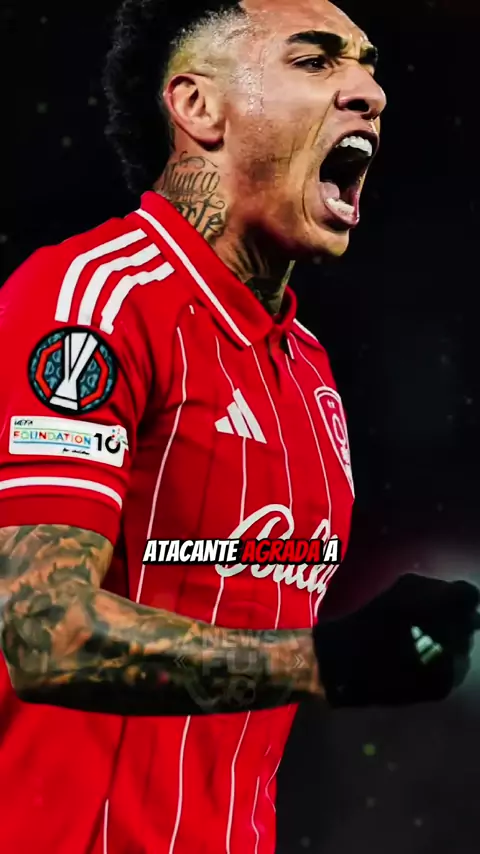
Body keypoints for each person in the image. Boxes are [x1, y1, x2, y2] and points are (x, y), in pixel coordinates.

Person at [0, 1, 478, 852]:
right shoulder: (91, 301)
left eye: (366, 65)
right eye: (315, 60)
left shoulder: (312, 372)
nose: (370, 92)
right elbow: (43, 633)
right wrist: (326, 661)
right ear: (199, 107)